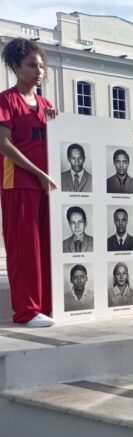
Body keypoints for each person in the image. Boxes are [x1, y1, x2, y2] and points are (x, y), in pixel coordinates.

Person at [0, 37, 57, 327]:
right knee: (24, 249)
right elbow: (4, 144)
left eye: (41, 65)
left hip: (46, 186)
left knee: (47, 246)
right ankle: (26, 311)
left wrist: (59, 124)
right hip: (19, 183)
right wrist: (38, 173)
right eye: (31, 65)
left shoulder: (46, 105)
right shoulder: (6, 100)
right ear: (14, 67)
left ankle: (45, 306)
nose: (39, 71)